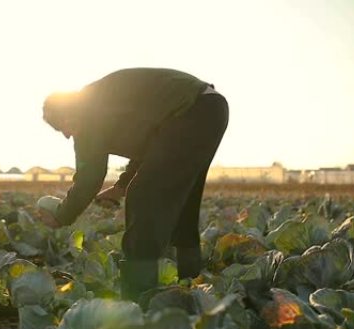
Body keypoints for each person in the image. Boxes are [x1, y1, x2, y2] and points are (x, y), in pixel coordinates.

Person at [38, 68, 229, 301]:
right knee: (183, 200)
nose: (67, 134)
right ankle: (190, 282)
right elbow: (153, 145)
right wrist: (120, 187)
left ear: (68, 113)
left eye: (61, 126)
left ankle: (139, 297)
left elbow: (90, 175)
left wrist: (62, 216)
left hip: (192, 110)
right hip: (210, 108)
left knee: (143, 197)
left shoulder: (88, 112)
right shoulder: (100, 104)